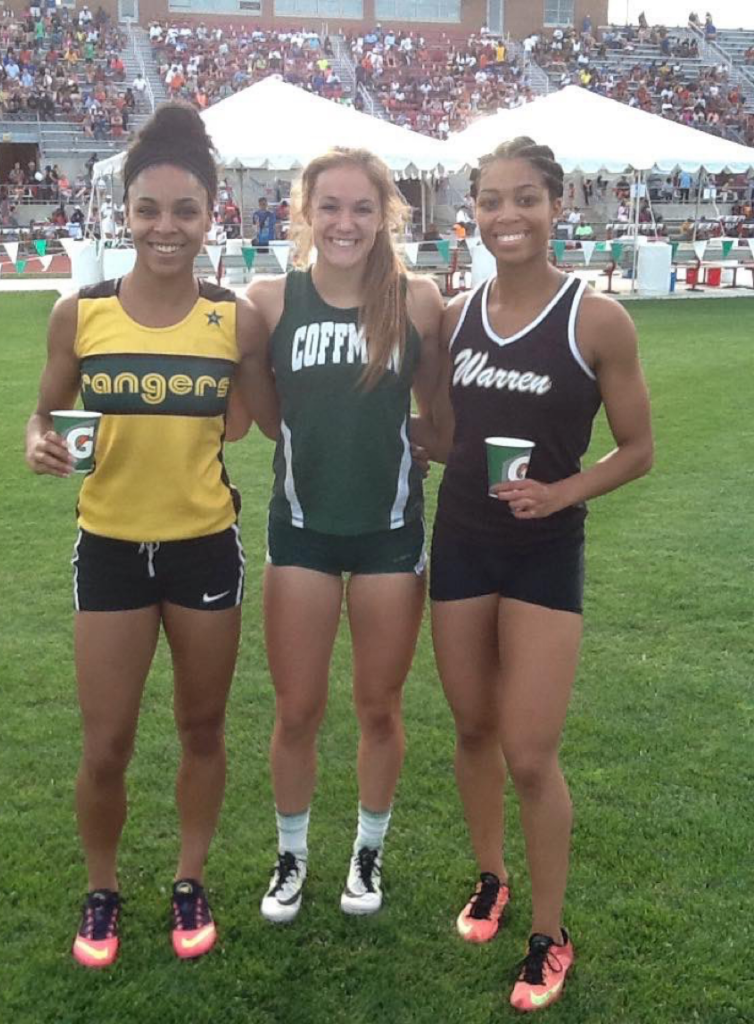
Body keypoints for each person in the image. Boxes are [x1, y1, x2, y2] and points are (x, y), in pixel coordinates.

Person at [24, 103, 278, 970]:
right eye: (148, 211)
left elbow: (245, 424)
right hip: (109, 546)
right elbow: (44, 414)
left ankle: (189, 879)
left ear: (214, 216)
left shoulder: (234, 320)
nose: (165, 229)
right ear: (123, 213)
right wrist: (39, 442)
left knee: (202, 728)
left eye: (185, 211)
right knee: (107, 744)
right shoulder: (80, 314)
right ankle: (103, 889)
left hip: (205, 543)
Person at [418, 137, 653, 1012]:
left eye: (525, 199)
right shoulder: (454, 314)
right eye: (489, 200)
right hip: (464, 539)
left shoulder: (596, 320)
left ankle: (549, 935)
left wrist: (562, 494)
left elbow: (639, 450)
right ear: (469, 212)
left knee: (528, 750)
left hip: (546, 547)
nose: (506, 215)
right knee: (473, 728)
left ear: (557, 206)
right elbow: (442, 436)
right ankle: (491, 876)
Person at [242, 147, 442, 924]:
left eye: (363, 208)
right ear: (304, 212)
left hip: (390, 531)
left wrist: (415, 444)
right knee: (297, 710)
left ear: (386, 213)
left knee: (378, 706)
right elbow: (263, 415)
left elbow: (442, 416)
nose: (345, 223)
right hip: (302, 530)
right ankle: (291, 855)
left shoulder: (417, 301)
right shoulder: (268, 301)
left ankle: (368, 848)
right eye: (330, 207)